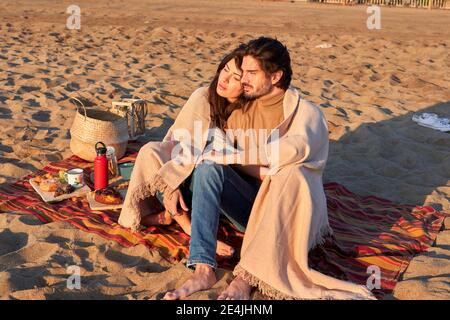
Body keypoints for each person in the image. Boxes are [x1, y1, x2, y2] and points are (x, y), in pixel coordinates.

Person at [163, 37, 375, 300]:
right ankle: (204, 268)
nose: (244, 80)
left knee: (291, 172)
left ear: (275, 76)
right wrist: (230, 160)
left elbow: (294, 150)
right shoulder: (240, 112)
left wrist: (236, 156)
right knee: (208, 166)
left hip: (288, 212)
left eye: (252, 73)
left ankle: (246, 278)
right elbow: (231, 160)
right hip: (251, 207)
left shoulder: (306, 112)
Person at [118, 45, 251, 258]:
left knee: (207, 168)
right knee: (151, 151)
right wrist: (172, 185)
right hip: (187, 189)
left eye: (235, 77)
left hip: (225, 193)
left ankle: (174, 218)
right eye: (225, 69)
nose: (224, 79)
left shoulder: (250, 113)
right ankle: (188, 226)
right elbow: (178, 144)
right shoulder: (203, 97)